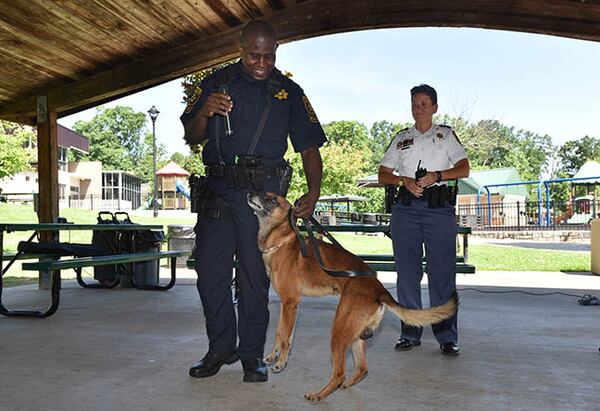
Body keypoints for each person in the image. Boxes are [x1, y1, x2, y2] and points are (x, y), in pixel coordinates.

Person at [180, 20, 326, 382]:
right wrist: (205, 111)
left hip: (261, 201)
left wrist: (314, 190)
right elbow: (191, 134)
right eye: (253, 56)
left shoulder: (288, 92)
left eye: (268, 56)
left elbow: (309, 148)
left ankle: (251, 356)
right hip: (218, 191)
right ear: (240, 48)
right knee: (209, 274)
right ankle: (220, 348)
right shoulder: (215, 83)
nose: (261, 63)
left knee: (253, 280)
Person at [378, 84, 470, 356]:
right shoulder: (401, 138)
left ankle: (446, 336)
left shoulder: (445, 134)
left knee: (442, 274)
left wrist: (438, 176)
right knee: (407, 274)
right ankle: (410, 332)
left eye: (424, 104)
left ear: (435, 108)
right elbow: (383, 173)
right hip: (405, 211)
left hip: (438, 210)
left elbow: (464, 168)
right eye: (415, 104)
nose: (419, 108)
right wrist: (402, 180)